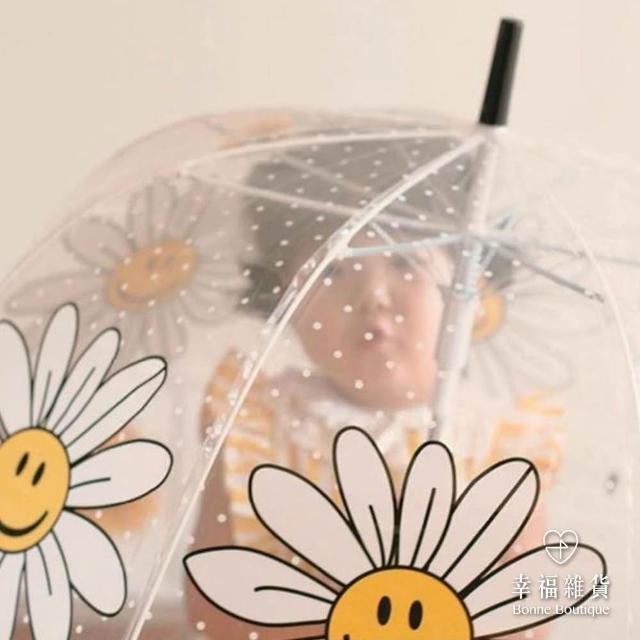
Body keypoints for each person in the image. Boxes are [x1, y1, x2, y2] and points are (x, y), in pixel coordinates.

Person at [186, 138, 563, 640]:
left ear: (464, 287)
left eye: (405, 263)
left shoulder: (502, 445)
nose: (373, 297)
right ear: (284, 296)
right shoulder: (257, 425)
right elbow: (211, 608)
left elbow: (529, 616)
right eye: (334, 270)